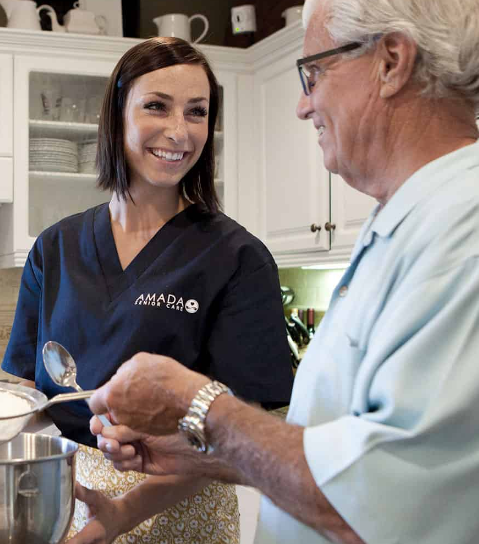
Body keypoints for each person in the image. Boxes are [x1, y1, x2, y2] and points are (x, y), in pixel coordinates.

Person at [86, 0, 479, 543]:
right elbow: (343, 452)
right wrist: (202, 450)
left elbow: (385, 506)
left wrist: (196, 403)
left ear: (391, 62)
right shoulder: (411, 226)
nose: (302, 105)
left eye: (313, 73)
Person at [1, 37, 294, 544]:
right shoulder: (56, 247)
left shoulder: (238, 259)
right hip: (66, 497)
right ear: (116, 114)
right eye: (157, 106)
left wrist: (118, 514)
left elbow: (243, 432)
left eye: (197, 112)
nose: (179, 132)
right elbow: (19, 391)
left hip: (181, 507)